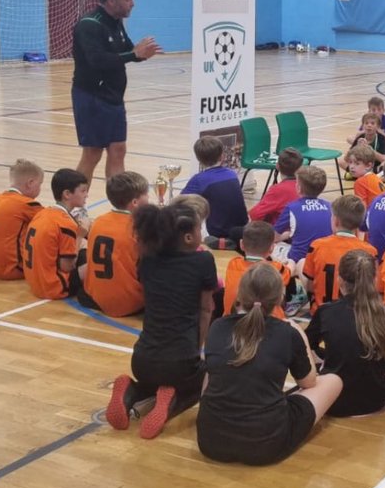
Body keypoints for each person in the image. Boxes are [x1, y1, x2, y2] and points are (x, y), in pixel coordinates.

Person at [197, 264, 342, 464]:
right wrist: (300, 334)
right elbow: (308, 383)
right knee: (333, 381)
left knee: (213, 373)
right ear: (279, 299)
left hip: (210, 441)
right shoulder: (286, 332)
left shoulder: (217, 326)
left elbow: (208, 384)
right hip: (265, 444)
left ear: (240, 294)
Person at [105, 200, 218, 439]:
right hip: (180, 360)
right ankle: (170, 403)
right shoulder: (203, 261)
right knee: (208, 376)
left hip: (142, 360)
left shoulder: (148, 259)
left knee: (156, 377)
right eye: (199, 229)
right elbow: (206, 309)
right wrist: (197, 349)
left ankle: (132, 392)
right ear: (188, 238)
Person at [71, 0, 162, 183]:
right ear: (111, 1)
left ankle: (119, 206)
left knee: (118, 149)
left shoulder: (117, 23)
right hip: (91, 97)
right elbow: (97, 61)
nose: (133, 3)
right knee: (92, 153)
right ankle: (75, 205)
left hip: (114, 98)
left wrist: (141, 54)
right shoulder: (89, 25)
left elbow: (127, 52)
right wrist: (133, 54)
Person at [306, 250, 385, 417]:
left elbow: (307, 345)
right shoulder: (383, 312)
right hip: (377, 398)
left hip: (333, 400)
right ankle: (382, 376)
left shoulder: (326, 311)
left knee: (307, 347)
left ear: (340, 280)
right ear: (374, 280)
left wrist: (326, 357)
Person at [82, 170, 149, 317]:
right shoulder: (139, 227)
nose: (149, 199)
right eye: (147, 195)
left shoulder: (98, 221)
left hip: (96, 296)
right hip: (129, 301)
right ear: (135, 202)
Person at [22, 168, 89, 301]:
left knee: (84, 252)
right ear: (67, 194)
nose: (86, 195)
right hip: (54, 287)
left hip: (34, 282)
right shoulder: (65, 224)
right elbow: (67, 267)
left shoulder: (43, 213)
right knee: (97, 263)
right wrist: (80, 235)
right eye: (83, 191)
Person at [302, 195, 377, 310]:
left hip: (321, 313)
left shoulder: (317, 245)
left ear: (336, 220)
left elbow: (310, 286)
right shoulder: (370, 251)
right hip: (356, 314)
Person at [0, 158, 43, 279]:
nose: (40, 189)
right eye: (40, 184)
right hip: (11, 270)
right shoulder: (26, 204)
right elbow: (54, 223)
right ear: (30, 183)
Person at [182, 136, 248, 249]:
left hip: (216, 232)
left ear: (198, 159)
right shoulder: (232, 174)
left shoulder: (199, 180)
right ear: (222, 156)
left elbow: (179, 204)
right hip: (242, 228)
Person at [222, 220, 296, 317]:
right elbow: (291, 270)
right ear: (272, 248)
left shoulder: (233, 263)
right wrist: (291, 261)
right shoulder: (276, 268)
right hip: (269, 323)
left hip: (230, 321)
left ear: (241, 244)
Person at [274, 166, 332, 271]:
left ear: (299, 188)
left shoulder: (292, 207)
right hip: (323, 258)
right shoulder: (330, 206)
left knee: (272, 246)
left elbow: (275, 236)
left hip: (297, 259)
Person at [247, 148, 303, 225]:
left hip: (281, 232)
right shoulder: (304, 186)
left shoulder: (278, 190)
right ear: (300, 168)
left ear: (277, 166)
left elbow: (255, 214)